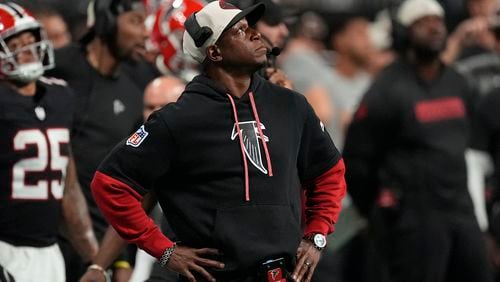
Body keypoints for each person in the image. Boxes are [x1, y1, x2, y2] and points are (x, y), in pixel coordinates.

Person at [90, 2, 347, 282]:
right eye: (239, 31)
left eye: (251, 28)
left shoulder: (291, 105)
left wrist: (317, 235)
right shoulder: (177, 119)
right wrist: (164, 251)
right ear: (214, 51)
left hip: (281, 275)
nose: (255, 35)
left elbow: (329, 172)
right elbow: (109, 184)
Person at [343, 0, 493, 281]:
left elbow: (472, 146)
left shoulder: (458, 83)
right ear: (403, 32)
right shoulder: (385, 90)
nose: (434, 26)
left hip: (460, 206)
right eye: (422, 22)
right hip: (414, 215)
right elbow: (357, 158)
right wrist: (380, 208)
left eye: (437, 19)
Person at [46, 0, 148, 280]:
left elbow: (125, 185)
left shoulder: (134, 91)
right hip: (46, 242)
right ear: (106, 21)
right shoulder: (56, 68)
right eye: (135, 21)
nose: (146, 34)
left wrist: (120, 260)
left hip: (98, 254)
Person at [0, 3, 98, 281]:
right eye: (15, 43)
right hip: (5, 248)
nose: (27, 49)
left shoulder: (60, 96)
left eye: (30, 40)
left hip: (48, 251)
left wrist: (95, 258)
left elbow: (68, 186)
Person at [79, 75, 186, 282]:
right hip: (167, 256)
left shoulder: (207, 143)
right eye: (149, 106)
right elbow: (134, 209)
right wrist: (99, 266)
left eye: (164, 106)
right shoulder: (146, 151)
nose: (155, 114)